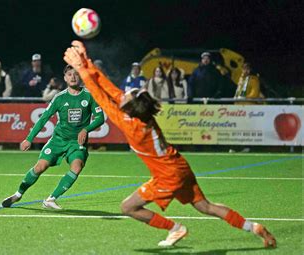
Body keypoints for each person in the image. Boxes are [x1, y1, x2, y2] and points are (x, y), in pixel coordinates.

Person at [63, 41, 276, 248]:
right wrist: (86, 61)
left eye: (128, 96)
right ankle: (254, 227)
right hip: (179, 165)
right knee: (206, 206)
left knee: (128, 207)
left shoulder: (131, 126)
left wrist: (82, 70)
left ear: (130, 109)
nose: (124, 94)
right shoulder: (141, 115)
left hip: (169, 175)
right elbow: (110, 89)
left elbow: (101, 96)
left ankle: (174, 228)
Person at [1, 65, 105, 209]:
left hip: (76, 143)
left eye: (75, 74)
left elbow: (100, 118)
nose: (73, 77)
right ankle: (18, 194)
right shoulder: (59, 98)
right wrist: (29, 138)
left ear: (80, 76)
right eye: (69, 74)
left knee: (77, 166)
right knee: (40, 167)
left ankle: (51, 199)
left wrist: (86, 130)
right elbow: (43, 118)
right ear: (65, 78)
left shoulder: (89, 95)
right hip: (58, 140)